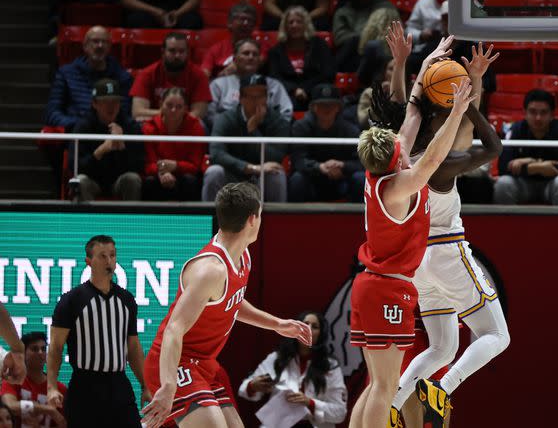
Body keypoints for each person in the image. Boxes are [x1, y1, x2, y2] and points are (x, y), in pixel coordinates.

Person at [348, 32, 473, 428]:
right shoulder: (398, 187)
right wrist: (456, 113)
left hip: (372, 284)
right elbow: (434, 156)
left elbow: (415, 112)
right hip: (387, 286)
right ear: (395, 156)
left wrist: (428, 62)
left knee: (375, 385)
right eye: (400, 145)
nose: (403, 142)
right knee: (385, 387)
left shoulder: (381, 172)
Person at [383, 28, 507, 428]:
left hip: (415, 260)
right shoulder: (438, 165)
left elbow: (411, 107)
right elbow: (493, 148)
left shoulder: (395, 160)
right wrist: (468, 97)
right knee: (496, 336)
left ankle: (393, 405)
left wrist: (418, 66)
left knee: (441, 345)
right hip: (448, 249)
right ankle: (445, 387)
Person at [141, 182, 312, 428]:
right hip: (175, 362)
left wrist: (277, 324)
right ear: (253, 219)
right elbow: (173, 330)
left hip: (205, 363)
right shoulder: (210, 270)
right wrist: (169, 386)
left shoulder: (243, 256)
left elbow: (231, 302)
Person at [47, 235, 150, 428]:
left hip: (119, 383)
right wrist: (51, 386)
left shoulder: (126, 300)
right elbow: (55, 347)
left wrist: (145, 384)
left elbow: (133, 346)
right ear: (88, 261)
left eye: (112, 255)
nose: (109, 261)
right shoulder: (72, 300)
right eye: (102, 256)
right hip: (85, 385)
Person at [238, 311, 347, 428]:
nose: (308, 329)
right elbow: (243, 390)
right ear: (295, 329)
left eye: (314, 327)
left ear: (321, 334)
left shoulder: (330, 365)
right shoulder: (277, 358)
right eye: (305, 325)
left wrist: (310, 403)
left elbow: (340, 413)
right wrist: (253, 386)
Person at [202, 74, 292, 203]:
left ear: (267, 98)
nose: (256, 101)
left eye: (260, 96)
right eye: (250, 97)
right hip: (233, 173)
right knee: (214, 172)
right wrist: (250, 167)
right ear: (241, 99)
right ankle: (211, 220)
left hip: (263, 176)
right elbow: (216, 153)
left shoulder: (278, 121)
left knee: (276, 173)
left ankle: (277, 222)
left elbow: (276, 156)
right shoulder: (226, 118)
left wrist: (253, 131)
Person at [493, 89, 558, 205]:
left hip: (552, 184)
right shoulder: (515, 130)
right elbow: (503, 167)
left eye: (543, 112)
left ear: (552, 114)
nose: (538, 117)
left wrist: (526, 166)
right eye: (533, 112)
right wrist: (539, 165)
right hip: (522, 184)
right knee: (503, 183)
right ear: (525, 113)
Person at [68, 78, 143, 201]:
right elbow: (74, 167)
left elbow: (139, 166)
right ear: (94, 104)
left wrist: (122, 146)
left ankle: (129, 220)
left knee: (132, 179)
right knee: (80, 181)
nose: (111, 107)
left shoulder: (130, 126)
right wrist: (100, 151)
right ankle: (88, 220)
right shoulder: (83, 126)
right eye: (105, 102)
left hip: (119, 181)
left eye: (115, 102)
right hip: (93, 181)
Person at [46, 26, 132, 132]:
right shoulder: (66, 74)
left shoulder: (123, 76)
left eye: (104, 42)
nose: (100, 46)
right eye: (95, 41)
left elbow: (125, 112)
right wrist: (82, 125)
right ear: (85, 46)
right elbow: (52, 113)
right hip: (76, 133)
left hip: (111, 133)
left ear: (110, 47)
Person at [289, 84, 365, 202]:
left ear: (338, 108)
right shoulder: (301, 127)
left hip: (341, 181)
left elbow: (361, 163)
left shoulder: (351, 130)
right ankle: (293, 219)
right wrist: (319, 167)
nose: (326, 108)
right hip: (312, 181)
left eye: (331, 105)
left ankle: (361, 219)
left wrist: (342, 165)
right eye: (321, 105)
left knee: (361, 178)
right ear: (313, 107)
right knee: (297, 179)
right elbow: (298, 160)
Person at [209, 39, 294, 126]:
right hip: (229, 134)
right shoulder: (218, 85)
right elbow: (210, 113)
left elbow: (286, 113)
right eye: (246, 53)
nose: (251, 57)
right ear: (234, 58)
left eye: (255, 54)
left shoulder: (274, 85)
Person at [130, 32, 212, 122]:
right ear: (163, 52)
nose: (177, 56)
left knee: (200, 124)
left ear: (187, 52)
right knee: (139, 122)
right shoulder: (147, 74)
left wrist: (168, 115)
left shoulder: (199, 75)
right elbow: (137, 112)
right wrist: (173, 115)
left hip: (186, 124)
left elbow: (199, 113)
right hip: (155, 124)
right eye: (172, 51)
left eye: (181, 51)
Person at [142, 87, 206, 201]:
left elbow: (195, 166)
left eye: (179, 107)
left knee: (190, 180)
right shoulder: (149, 127)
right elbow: (147, 165)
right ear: (161, 104)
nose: (173, 110)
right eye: (169, 105)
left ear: (186, 109)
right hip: (158, 175)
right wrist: (162, 171)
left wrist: (176, 166)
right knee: (149, 181)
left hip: (184, 176)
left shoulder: (195, 127)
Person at [268, 6, 336, 111]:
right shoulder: (276, 51)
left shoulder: (319, 45)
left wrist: (305, 89)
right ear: (285, 27)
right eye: (290, 22)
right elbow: (275, 77)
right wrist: (294, 90)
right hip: (288, 94)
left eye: (299, 22)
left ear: (306, 25)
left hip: (316, 92)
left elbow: (328, 73)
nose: (294, 25)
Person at [1, 332, 67, 428]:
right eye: (34, 349)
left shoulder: (59, 388)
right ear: (23, 354)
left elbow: (64, 423)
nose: (40, 352)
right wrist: (49, 410)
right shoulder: (13, 381)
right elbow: (10, 406)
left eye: (43, 349)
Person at [332, 0, 397, 72]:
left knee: (376, 46)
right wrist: (366, 35)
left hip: (382, 55)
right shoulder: (344, 10)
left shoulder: (386, 8)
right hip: (354, 56)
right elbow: (340, 37)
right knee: (367, 45)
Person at [201, 1, 267, 79]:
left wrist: (235, 67)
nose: (246, 23)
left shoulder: (262, 47)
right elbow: (204, 75)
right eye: (242, 19)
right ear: (230, 23)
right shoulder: (216, 49)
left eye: (250, 20)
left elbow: (259, 60)